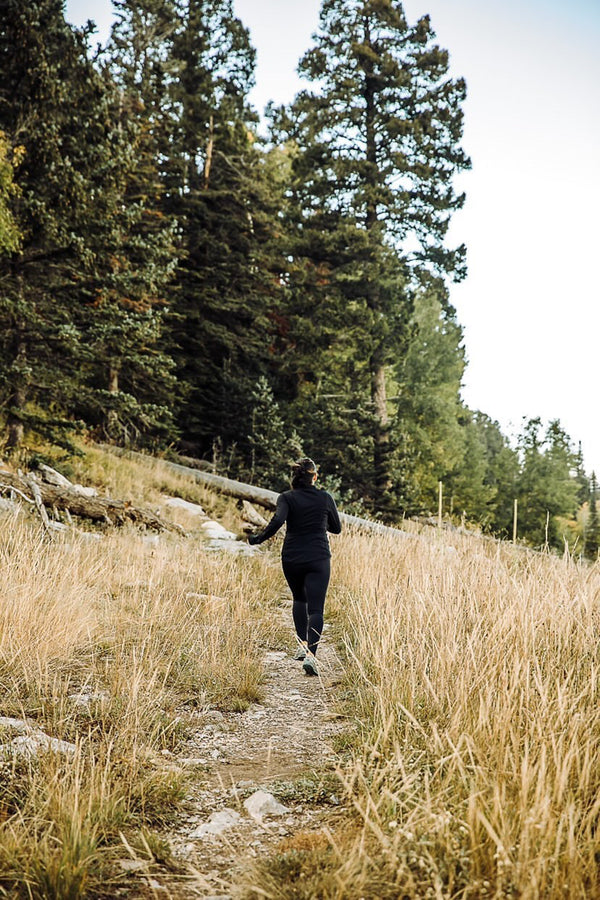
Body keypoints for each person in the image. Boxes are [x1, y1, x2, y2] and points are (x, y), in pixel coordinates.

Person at [248, 458, 342, 676]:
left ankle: (302, 644)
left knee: (299, 599)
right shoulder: (325, 498)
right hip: (318, 557)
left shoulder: (286, 498)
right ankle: (311, 656)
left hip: (292, 557)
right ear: (315, 477)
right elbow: (336, 528)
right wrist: (320, 520)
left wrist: (258, 539)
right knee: (316, 608)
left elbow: (277, 521)